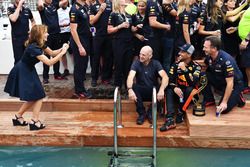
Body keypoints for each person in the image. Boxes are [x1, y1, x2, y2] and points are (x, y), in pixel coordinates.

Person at [4, 25, 69, 130]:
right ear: (39, 35)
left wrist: (63, 48)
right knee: (38, 95)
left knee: (35, 96)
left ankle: (18, 116)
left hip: (28, 69)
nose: (47, 34)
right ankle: (34, 121)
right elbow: (49, 62)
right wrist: (62, 53)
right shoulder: (33, 48)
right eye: (45, 32)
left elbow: (52, 53)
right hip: (23, 71)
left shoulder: (40, 44)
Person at [160, 43, 201, 132]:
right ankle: (170, 119)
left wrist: (185, 70)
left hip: (189, 95)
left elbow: (193, 83)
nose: (179, 53)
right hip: (178, 92)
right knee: (169, 89)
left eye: (183, 51)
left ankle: (181, 112)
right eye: (180, 51)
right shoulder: (175, 64)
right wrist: (175, 87)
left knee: (190, 89)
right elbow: (170, 80)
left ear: (189, 54)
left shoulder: (196, 66)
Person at [203, 36, 245, 114]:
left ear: (214, 49)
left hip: (234, 84)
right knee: (202, 75)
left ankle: (238, 96)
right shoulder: (209, 56)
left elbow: (230, 83)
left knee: (223, 110)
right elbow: (206, 66)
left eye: (205, 47)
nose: (203, 49)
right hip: (221, 79)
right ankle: (210, 100)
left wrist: (224, 102)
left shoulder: (226, 61)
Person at [127, 46, 169, 125]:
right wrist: (129, 89)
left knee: (162, 86)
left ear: (150, 56)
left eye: (143, 55)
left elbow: (165, 77)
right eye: (140, 54)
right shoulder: (136, 63)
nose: (140, 56)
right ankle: (142, 113)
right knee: (133, 86)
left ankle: (151, 113)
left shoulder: (156, 63)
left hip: (153, 92)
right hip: (141, 92)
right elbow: (130, 76)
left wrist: (161, 89)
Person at [37, 0, 68, 84]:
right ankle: (45, 77)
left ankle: (57, 74)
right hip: (47, 35)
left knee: (57, 54)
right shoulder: (42, 7)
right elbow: (40, 5)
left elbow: (64, 2)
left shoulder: (54, 5)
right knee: (47, 56)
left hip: (57, 34)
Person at [70, 0, 92, 98]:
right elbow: (73, 30)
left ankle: (82, 88)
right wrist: (80, 46)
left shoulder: (84, 7)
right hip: (79, 42)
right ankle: (79, 91)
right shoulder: (74, 9)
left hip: (86, 40)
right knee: (79, 67)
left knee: (83, 66)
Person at [90, 0, 113, 87]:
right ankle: (94, 78)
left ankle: (105, 78)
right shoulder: (93, 6)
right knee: (96, 57)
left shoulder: (110, 4)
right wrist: (100, 11)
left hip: (109, 35)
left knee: (108, 57)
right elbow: (91, 21)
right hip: (98, 35)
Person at [8, 0, 35, 65]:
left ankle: (27, 75)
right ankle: (18, 75)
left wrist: (32, 30)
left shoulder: (27, 10)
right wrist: (19, 5)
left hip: (27, 39)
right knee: (18, 60)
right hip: (16, 39)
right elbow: (13, 19)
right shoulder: (10, 9)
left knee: (28, 59)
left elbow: (33, 21)